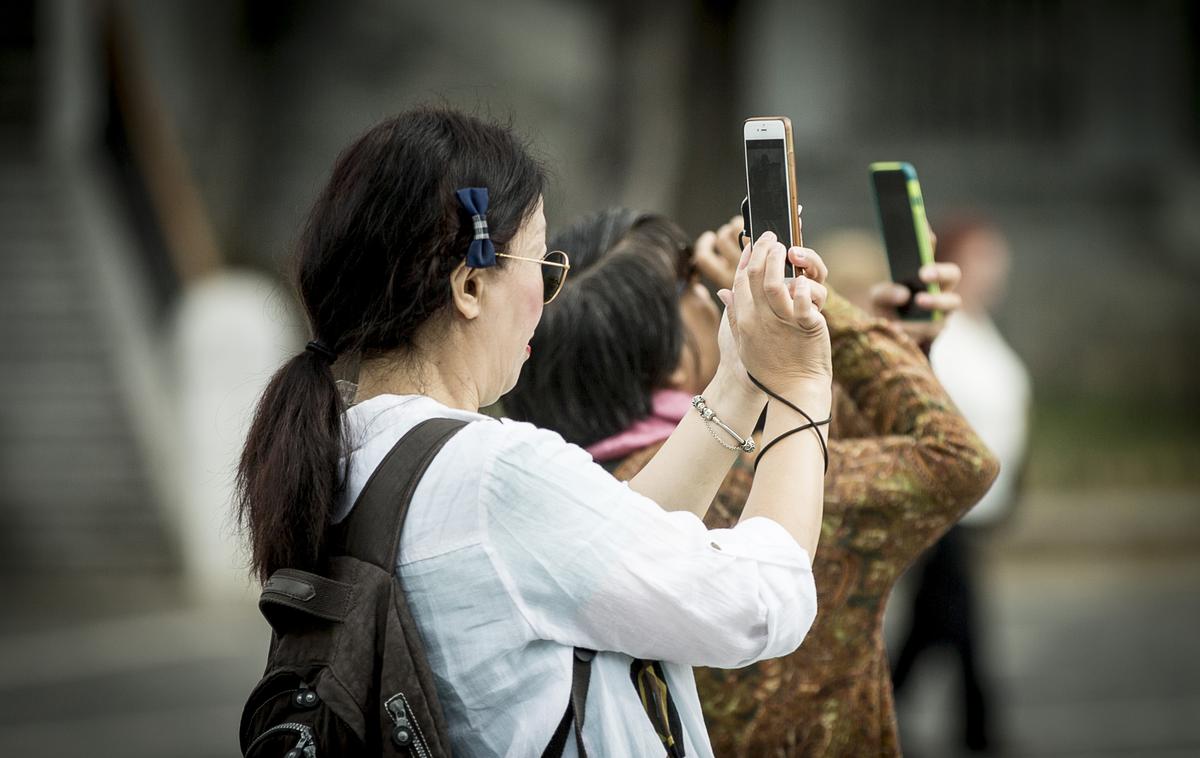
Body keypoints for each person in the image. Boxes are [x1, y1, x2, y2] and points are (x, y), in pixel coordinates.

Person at [235, 108, 836, 757]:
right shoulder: (493, 475)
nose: (547, 294)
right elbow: (761, 603)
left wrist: (742, 377)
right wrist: (802, 382)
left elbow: (603, 546)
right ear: (469, 284)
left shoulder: (352, 451)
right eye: (543, 264)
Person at [506, 209, 999, 757]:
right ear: (671, 364)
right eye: (698, 284)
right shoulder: (747, 481)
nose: (725, 288)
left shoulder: (567, 493)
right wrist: (808, 302)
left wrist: (891, 344)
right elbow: (955, 458)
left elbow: (842, 454)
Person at [890, 216, 1032, 754]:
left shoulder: (983, 327)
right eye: (982, 260)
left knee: (934, 622)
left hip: (982, 509)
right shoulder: (942, 331)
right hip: (948, 509)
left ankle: (880, 704)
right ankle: (980, 731)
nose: (994, 272)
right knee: (963, 621)